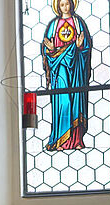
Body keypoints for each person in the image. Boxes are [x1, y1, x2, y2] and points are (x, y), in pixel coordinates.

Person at [41, 0, 91, 150]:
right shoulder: (53, 25)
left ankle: (76, 141)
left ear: (72, 4)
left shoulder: (78, 22)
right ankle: (60, 140)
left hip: (76, 66)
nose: (65, 7)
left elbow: (85, 47)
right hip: (59, 66)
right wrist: (50, 50)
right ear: (58, 7)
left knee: (75, 101)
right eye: (62, 5)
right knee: (63, 101)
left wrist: (80, 46)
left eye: (67, 4)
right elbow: (47, 48)